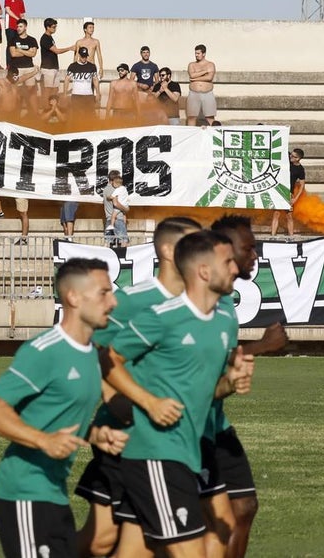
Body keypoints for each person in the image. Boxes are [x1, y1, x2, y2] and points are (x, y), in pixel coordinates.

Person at [104, 230, 253, 557]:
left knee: (133, 552)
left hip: (188, 453)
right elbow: (107, 358)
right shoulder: (162, 318)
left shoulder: (224, 321)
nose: (235, 268)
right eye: (227, 262)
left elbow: (207, 390)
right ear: (203, 271)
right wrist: (148, 402)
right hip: (155, 454)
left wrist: (232, 382)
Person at [0, 258, 126, 558]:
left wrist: (95, 435)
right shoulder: (44, 351)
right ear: (73, 297)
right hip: (23, 492)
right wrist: (44, 441)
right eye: (103, 293)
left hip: (54, 494)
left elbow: (60, 413)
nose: (112, 302)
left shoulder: (92, 353)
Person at [74, 216, 202, 558]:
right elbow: (93, 352)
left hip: (175, 439)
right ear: (169, 251)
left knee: (145, 539)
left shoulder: (204, 303)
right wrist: (117, 405)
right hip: (122, 433)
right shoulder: (131, 300)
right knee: (106, 539)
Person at [202, 215, 289, 558]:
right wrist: (262, 347)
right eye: (248, 247)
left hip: (215, 422)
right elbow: (201, 362)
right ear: (223, 251)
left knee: (244, 506)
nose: (255, 254)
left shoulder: (224, 300)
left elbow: (218, 353)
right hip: (189, 427)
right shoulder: (201, 301)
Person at [8, 19, 40, 116]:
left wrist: (20, 50)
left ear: (25, 27)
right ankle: (15, 114)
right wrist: (27, 52)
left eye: (20, 26)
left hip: (29, 69)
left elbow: (33, 54)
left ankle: (33, 114)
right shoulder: (13, 39)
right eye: (17, 27)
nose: (18, 28)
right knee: (16, 93)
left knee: (31, 93)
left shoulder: (32, 40)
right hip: (17, 70)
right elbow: (13, 54)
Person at [271, 148, 306, 235]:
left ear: (298, 158)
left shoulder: (300, 169)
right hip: (279, 191)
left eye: (293, 156)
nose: (290, 156)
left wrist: (295, 199)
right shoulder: (287, 159)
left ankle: (291, 237)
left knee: (289, 216)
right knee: (276, 214)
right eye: (291, 155)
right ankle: (272, 236)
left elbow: (302, 185)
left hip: (288, 193)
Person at [39, 18, 74, 97]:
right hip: (48, 69)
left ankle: (53, 108)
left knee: (55, 90)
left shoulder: (50, 37)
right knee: (47, 91)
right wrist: (69, 48)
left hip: (54, 68)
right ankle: (46, 108)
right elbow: (56, 51)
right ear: (48, 27)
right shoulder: (45, 38)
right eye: (53, 27)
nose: (55, 29)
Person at [63, 47, 99, 118]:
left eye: (85, 56)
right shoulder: (72, 66)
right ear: (79, 55)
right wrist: (65, 93)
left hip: (88, 95)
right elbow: (67, 79)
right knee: (76, 116)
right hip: (76, 95)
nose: (84, 58)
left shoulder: (92, 66)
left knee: (90, 116)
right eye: (82, 56)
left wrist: (97, 93)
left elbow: (95, 79)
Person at [187, 44, 217, 127]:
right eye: (195, 53)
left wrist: (195, 79)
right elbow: (192, 75)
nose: (196, 55)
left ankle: (214, 135)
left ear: (204, 54)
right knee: (191, 116)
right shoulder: (192, 65)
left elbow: (209, 78)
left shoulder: (210, 64)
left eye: (198, 53)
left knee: (210, 116)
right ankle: (191, 135)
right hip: (194, 93)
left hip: (207, 93)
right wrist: (204, 72)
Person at [3, 0, 25, 67]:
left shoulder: (20, 0)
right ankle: (9, 64)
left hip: (18, 27)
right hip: (10, 26)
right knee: (10, 44)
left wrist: (22, 23)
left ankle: (17, 64)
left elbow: (22, 14)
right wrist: (17, 19)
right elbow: (7, 10)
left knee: (18, 45)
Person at [106, 172, 130, 249]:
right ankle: (123, 257)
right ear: (113, 180)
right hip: (118, 218)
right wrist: (126, 209)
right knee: (124, 241)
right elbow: (116, 204)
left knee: (108, 243)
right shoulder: (117, 189)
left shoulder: (106, 189)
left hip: (109, 217)